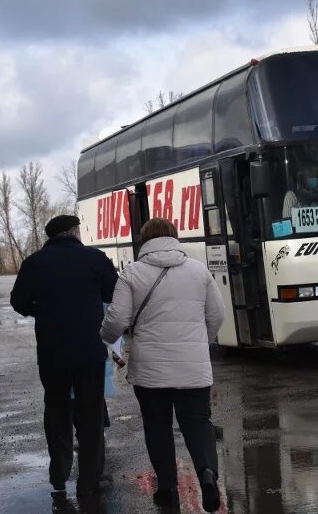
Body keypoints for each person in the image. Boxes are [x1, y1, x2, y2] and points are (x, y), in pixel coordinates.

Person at [100, 218, 226, 511]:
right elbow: (217, 315)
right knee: (198, 422)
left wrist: (105, 337)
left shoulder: (131, 273)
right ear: (174, 237)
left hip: (150, 370)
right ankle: (207, 474)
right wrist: (198, 343)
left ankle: (168, 488)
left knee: (157, 426)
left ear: (144, 240)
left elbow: (117, 320)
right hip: (193, 368)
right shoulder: (198, 270)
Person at [9, 215, 118, 502]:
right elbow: (113, 293)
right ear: (73, 232)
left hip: (52, 352)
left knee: (56, 411)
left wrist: (42, 310)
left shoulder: (34, 262)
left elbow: (18, 302)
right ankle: (89, 481)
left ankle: (59, 473)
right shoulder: (95, 258)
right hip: (90, 350)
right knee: (91, 413)